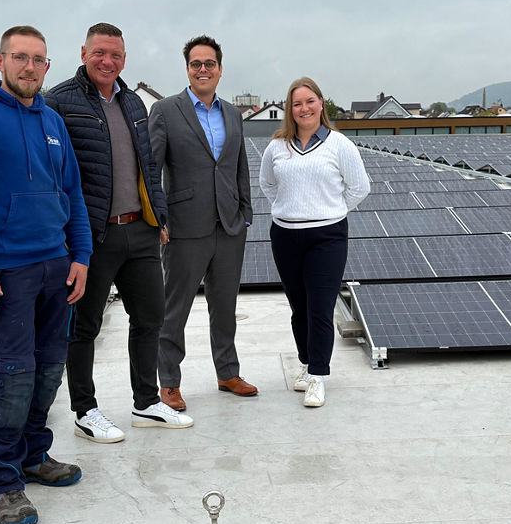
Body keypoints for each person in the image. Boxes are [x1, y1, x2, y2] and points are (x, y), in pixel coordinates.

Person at [0, 25, 92, 524]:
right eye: (21, 57)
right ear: (0, 61)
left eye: (39, 60)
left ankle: (33, 455)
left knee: (49, 369)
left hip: (56, 267)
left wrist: (81, 256)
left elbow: (71, 193)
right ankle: (4, 480)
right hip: (5, 271)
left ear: (47, 66)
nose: (30, 67)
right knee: (13, 376)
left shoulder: (52, 120)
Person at [45, 22, 192, 441]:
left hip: (140, 230)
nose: (107, 61)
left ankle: (145, 402)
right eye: (99, 53)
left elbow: (149, 166)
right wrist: (68, 236)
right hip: (93, 236)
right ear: (83, 54)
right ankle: (85, 411)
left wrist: (159, 217)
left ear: (124, 60)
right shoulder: (59, 102)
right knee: (84, 327)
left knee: (149, 318)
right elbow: (55, 174)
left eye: (115, 55)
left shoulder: (133, 102)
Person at [149, 35, 256, 412]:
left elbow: (238, 165)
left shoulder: (233, 114)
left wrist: (245, 212)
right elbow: (152, 168)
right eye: (196, 64)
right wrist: (158, 218)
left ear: (220, 69)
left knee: (225, 306)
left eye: (210, 63)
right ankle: (169, 382)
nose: (203, 69)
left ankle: (228, 372)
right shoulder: (165, 110)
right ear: (188, 69)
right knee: (174, 309)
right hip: (183, 227)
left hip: (229, 225)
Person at [258, 77, 370, 408]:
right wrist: (289, 209)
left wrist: (329, 211)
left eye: (310, 101)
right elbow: (267, 184)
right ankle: (307, 364)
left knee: (320, 307)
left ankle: (319, 376)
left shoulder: (339, 145)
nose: (304, 108)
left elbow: (359, 187)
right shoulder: (277, 146)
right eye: (297, 103)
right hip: (285, 235)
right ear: (289, 110)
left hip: (327, 237)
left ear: (321, 104)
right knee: (299, 308)